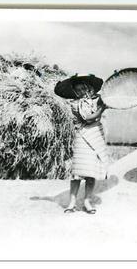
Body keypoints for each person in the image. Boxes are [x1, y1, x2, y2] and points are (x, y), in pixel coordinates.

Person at [60, 76, 109, 214]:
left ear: (88, 88)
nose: (81, 91)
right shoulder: (75, 104)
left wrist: (105, 99)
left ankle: (87, 201)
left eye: (83, 88)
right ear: (74, 92)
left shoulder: (94, 100)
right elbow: (87, 119)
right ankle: (72, 203)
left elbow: (105, 98)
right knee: (78, 172)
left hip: (96, 136)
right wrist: (102, 108)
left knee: (91, 172)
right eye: (78, 90)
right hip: (83, 136)